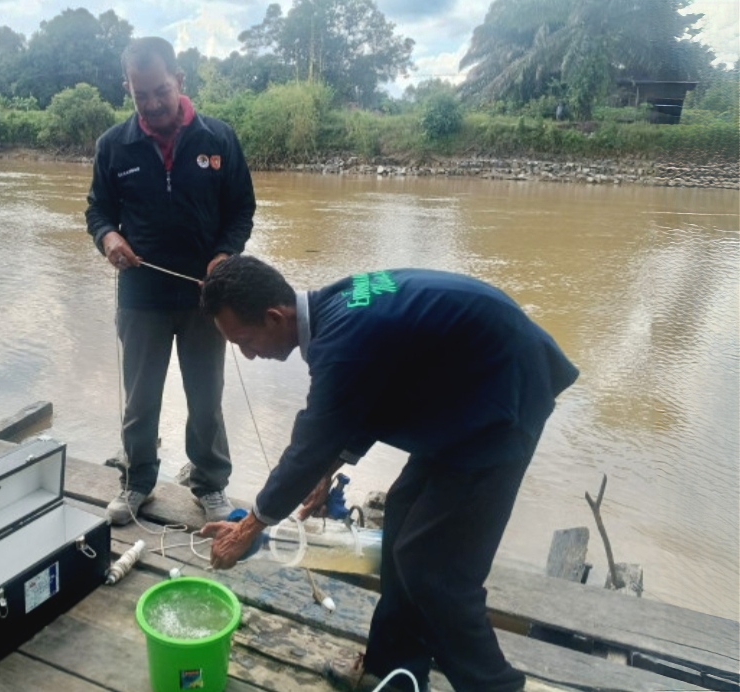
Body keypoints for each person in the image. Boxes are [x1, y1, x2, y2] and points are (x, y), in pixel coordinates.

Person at [198, 255, 579, 692]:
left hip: (501, 400)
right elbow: (369, 397)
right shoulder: (334, 308)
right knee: (401, 518)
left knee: (436, 571)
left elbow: (307, 448)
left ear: (273, 316)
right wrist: (329, 470)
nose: (248, 355)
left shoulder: (341, 342)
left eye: (245, 341)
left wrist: (250, 527)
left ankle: (495, 686)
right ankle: (393, 673)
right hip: (463, 392)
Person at [86, 37, 255, 526]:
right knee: (141, 401)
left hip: (207, 296)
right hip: (141, 295)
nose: (154, 103)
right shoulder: (113, 146)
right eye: (142, 95)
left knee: (207, 397)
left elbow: (241, 210)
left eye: (161, 90)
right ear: (128, 90)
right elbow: (97, 210)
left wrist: (225, 256)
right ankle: (138, 481)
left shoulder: (218, 139)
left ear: (179, 80)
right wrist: (108, 238)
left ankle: (209, 484)